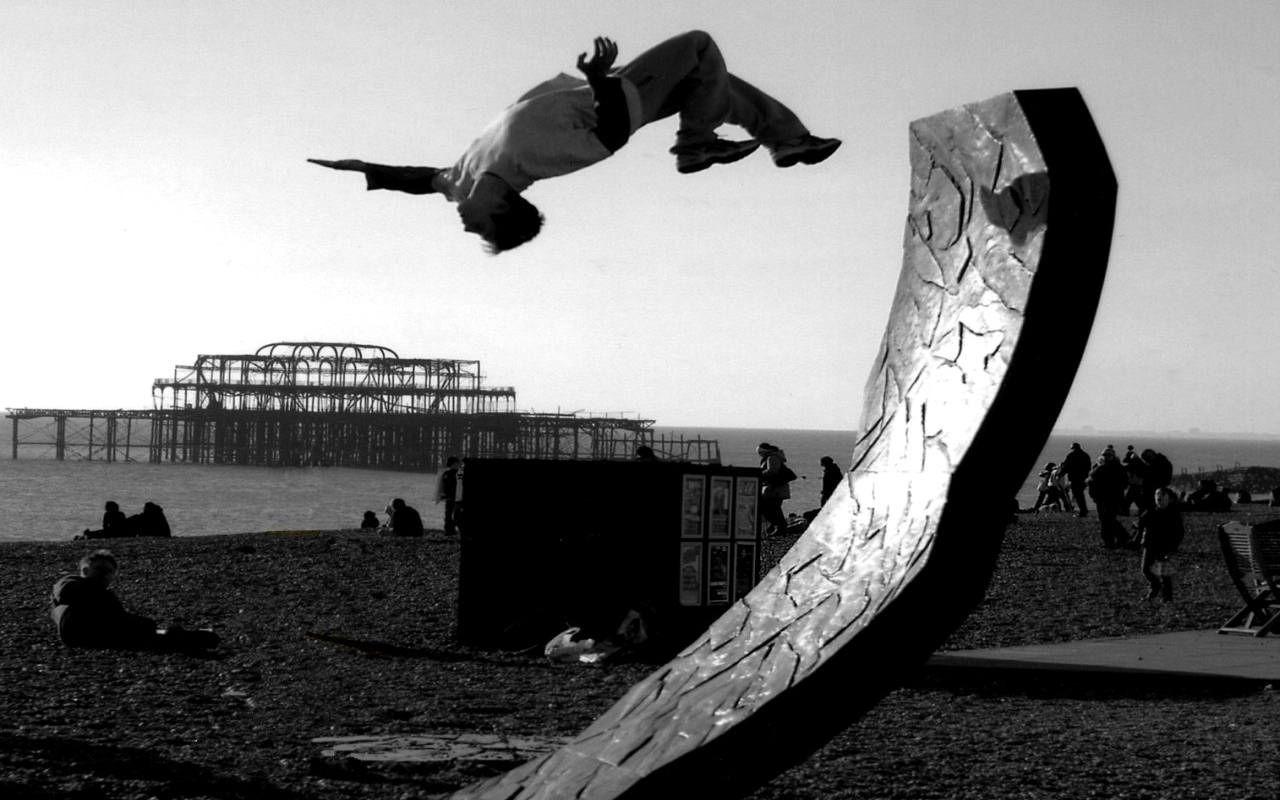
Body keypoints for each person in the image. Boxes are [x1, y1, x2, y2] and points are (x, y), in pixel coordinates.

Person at [310, 31, 841, 253]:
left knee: (718, 84)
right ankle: (696, 145)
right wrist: (603, 80)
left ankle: (788, 141)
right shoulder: (538, 163)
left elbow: (416, 181)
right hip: (621, 97)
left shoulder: (459, 183)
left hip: (610, 89)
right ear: (503, 207)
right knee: (700, 47)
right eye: (481, 230)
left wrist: (362, 167)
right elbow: (610, 137)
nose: (466, 226)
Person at [50, 550, 218, 651]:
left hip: (95, 632)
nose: (104, 574)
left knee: (150, 636)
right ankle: (190, 638)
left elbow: (116, 617)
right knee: (147, 630)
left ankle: (194, 638)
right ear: (85, 570)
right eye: (99, 569)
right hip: (78, 628)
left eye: (108, 572)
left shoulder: (102, 595)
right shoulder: (71, 582)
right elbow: (65, 592)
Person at [1136, 487, 1185, 601]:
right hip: (1149, 545)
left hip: (1165, 546)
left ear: (1169, 498)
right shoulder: (1150, 511)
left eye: (1163, 494)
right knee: (1146, 569)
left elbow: (1179, 533)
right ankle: (1155, 585)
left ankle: (1167, 597)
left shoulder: (1173, 514)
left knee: (1164, 573)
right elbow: (1140, 524)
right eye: (1157, 494)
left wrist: (1173, 547)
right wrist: (1137, 538)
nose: (1159, 496)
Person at [1087, 452, 1129, 548]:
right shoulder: (1120, 469)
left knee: (1105, 520)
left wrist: (1094, 496)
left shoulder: (1100, 469)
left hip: (1103, 499)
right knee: (1110, 519)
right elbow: (1125, 483)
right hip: (1115, 498)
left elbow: (1092, 482)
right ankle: (1121, 538)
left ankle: (1111, 541)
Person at [757, 442, 795, 536]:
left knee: (770, 508)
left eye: (760, 452)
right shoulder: (773, 457)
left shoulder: (772, 457)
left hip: (775, 488)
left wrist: (759, 474)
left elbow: (772, 471)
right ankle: (778, 527)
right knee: (773, 508)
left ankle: (780, 527)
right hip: (776, 488)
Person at [1061, 442, 1092, 517]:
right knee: (1080, 494)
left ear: (1073, 448)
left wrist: (1060, 474)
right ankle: (1084, 510)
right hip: (1083, 478)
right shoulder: (1086, 455)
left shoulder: (1071, 455)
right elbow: (1088, 467)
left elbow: (1066, 466)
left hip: (1074, 478)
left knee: (1078, 495)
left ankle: (1083, 511)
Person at [435, 456, 461, 536]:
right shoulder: (458, 473)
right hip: (456, 497)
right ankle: (454, 530)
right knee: (457, 515)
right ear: (454, 464)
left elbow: (442, 486)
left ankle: (449, 530)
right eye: (457, 463)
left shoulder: (445, 474)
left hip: (449, 497)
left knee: (448, 515)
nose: (459, 465)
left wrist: (440, 495)